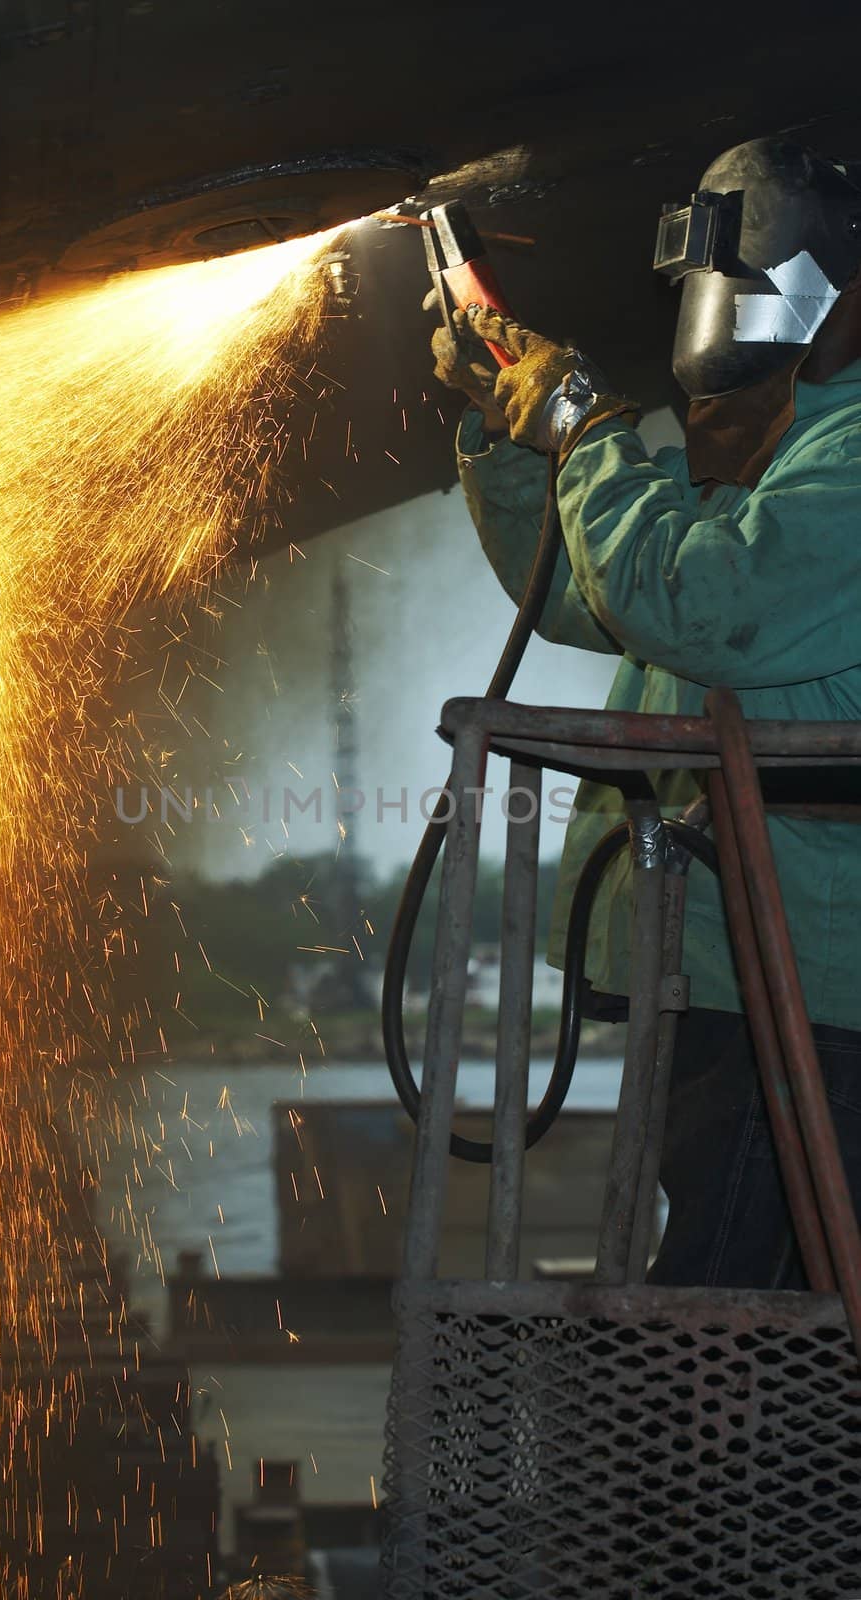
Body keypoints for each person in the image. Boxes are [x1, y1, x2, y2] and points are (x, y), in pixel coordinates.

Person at [431, 136, 861, 1290]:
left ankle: (698, 1478)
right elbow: (596, 594)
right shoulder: (778, 457)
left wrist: (588, 434)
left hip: (815, 978)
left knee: (736, 1309)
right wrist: (521, 441)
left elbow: (692, 602)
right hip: (738, 961)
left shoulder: (851, 459)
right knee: (742, 1291)